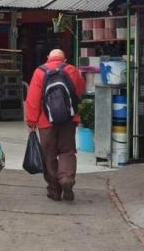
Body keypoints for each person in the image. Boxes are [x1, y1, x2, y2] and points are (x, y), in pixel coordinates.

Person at [25, 49, 86, 202]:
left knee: (49, 154)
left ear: (48, 58)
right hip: (68, 119)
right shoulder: (72, 70)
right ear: (64, 59)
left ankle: (54, 190)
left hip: (47, 121)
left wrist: (31, 121)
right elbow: (80, 91)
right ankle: (66, 179)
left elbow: (33, 99)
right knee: (67, 150)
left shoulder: (40, 72)